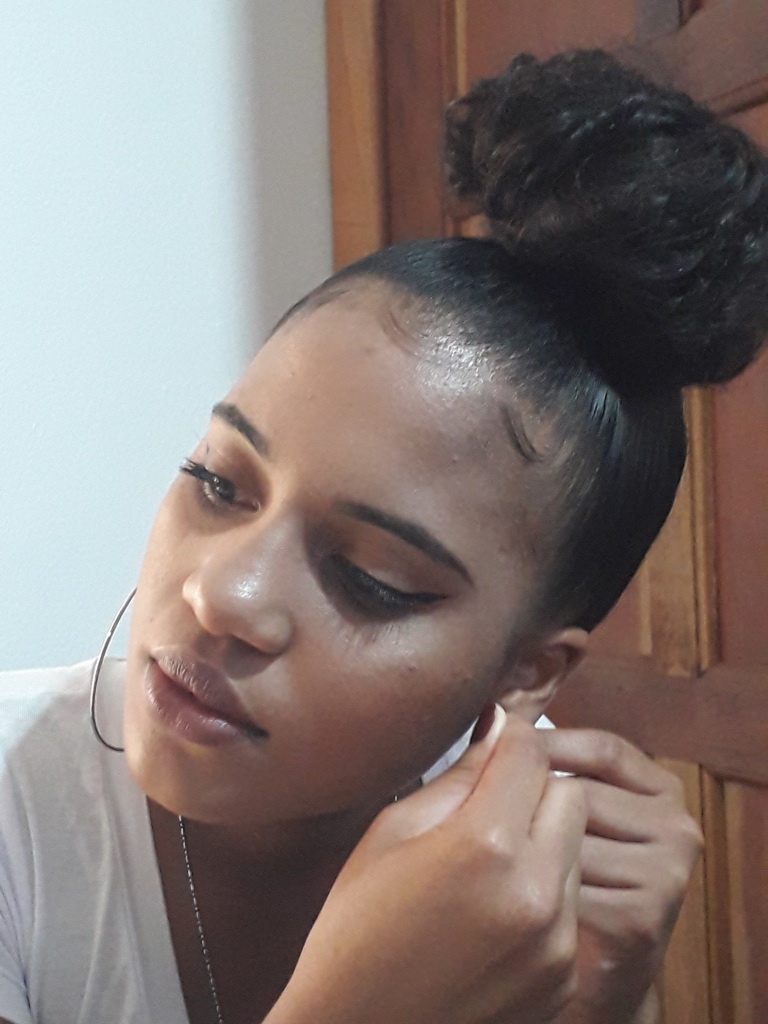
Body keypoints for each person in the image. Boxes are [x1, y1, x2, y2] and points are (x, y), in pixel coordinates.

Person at [1, 48, 766, 1024]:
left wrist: (601, 1000)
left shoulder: (527, 886)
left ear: (526, 673)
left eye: (369, 577)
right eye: (219, 483)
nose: (221, 595)